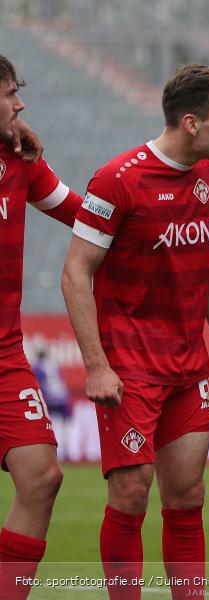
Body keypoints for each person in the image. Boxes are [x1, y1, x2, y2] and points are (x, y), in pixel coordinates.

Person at [61, 63, 209, 600]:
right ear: (191, 122)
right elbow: (75, 271)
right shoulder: (117, 179)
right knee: (133, 495)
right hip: (130, 368)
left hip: (188, 369)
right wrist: (96, 366)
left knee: (186, 495)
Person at [0, 53, 83, 599]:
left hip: (4, 355)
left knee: (42, 476)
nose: (21, 103)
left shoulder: (19, 159)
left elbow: (78, 212)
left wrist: (149, 210)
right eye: (10, 93)